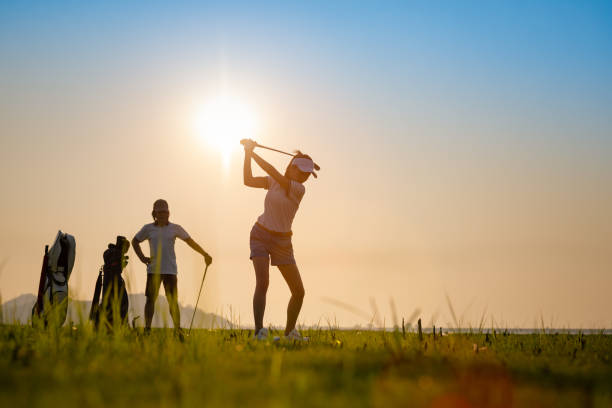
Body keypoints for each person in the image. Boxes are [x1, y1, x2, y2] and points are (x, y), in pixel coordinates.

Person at [242, 139, 318, 341]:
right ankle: (259, 331)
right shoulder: (274, 181)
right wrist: (247, 154)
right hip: (259, 234)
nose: (304, 177)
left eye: (307, 174)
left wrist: (252, 151)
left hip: (283, 242)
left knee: (299, 292)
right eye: (301, 172)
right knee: (263, 282)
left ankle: (289, 333)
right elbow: (248, 180)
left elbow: (272, 169)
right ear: (291, 168)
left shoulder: (298, 189)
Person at [132, 199, 212, 333]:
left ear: (169, 213)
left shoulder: (175, 228)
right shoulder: (148, 228)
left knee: (172, 301)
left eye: (165, 212)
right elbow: (135, 241)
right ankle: (147, 328)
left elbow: (190, 242)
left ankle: (177, 329)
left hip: (170, 270)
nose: (163, 214)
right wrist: (142, 258)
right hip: (154, 270)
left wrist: (205, 254)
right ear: (154, 213)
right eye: (160, 212)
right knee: (150, 300)